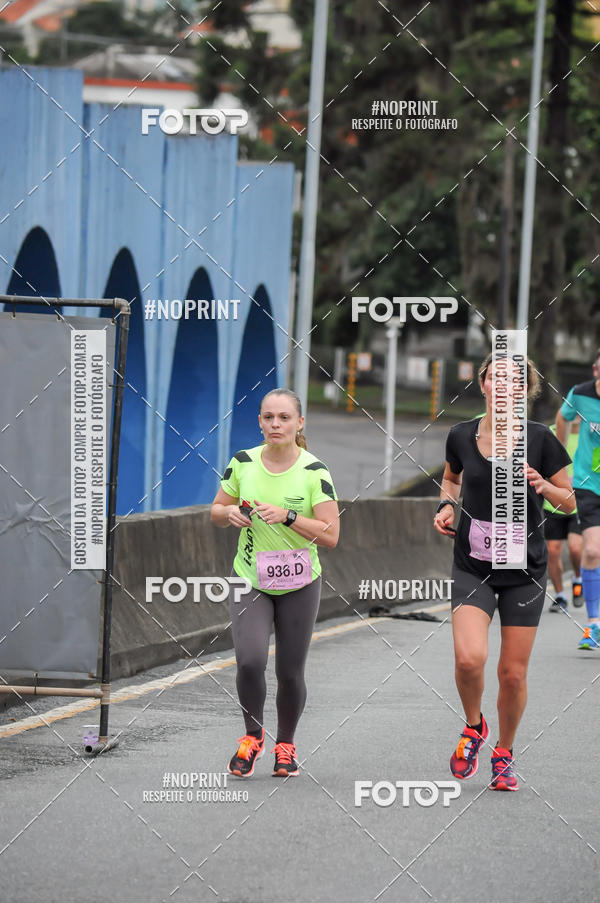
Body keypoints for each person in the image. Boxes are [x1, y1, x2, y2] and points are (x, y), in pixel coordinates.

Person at [434, 352, 574, 791]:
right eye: (496, 377)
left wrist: (545, 485)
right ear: (483, 384)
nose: (503, 385)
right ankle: (475, 727)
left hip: (525, 570)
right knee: (468, 658)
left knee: (512, 673)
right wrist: (444, 505)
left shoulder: (542, 439)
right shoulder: (460, 435)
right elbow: (452, 479)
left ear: (524, 390)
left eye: (514, 380)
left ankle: (505, 753)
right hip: (473, 565)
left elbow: (570, 501)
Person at [210, 388, 339, 778]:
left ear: (300, 423)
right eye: (268, 417)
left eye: (284, 417)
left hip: (300, 582)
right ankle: (252, 738)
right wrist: (229, 512)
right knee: (250, 660)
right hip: (250, 578)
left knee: (289, 670)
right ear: (260, 422)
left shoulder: (315, 471)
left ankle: (286, 745)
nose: (275, 424)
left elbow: (331, 535)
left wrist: (287, 517)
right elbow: (215, 509)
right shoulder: (243, 462)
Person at [556, 350, 600, 649]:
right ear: (597, 369)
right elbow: (562, 418)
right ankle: (593, 624)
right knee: (593, 550)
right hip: (587, 483)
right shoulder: (581, 394)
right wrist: (559, 463)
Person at [544, 419, 583, 612]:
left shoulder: (590, 434)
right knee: (553, 551)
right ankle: (560, 596)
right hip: (551, 504)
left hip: (579, 503)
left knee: (576, 548)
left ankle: (578, 579)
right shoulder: (549, 433)